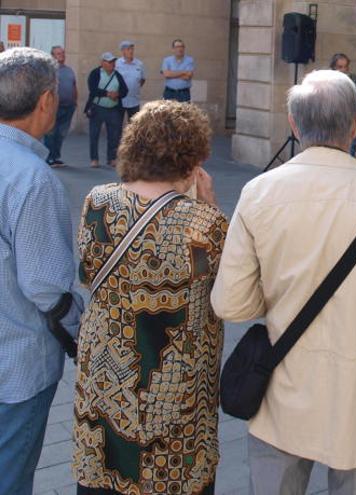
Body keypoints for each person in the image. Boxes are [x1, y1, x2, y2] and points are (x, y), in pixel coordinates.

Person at [211, 69, 356, 495]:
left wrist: (280, 292)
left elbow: (229, 303)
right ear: (354, 125)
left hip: (284, 390)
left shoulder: (259, 192)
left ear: (293, 124)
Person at [72, 100, 226, 494]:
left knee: (105, 477)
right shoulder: (203, 222)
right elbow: (228, 293)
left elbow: (88, 273)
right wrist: (208, 205)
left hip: (108, 376)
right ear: (193, 160)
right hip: (176, 389)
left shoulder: (97, 201)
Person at [0, 47, 83, 495]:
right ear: (47, 101)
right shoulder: (32, 178)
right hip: (15, 365)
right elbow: (46, 286)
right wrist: (85, 330)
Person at [86, 51, 128, 168]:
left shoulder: (117, 75)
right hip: (97, 108)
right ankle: (94, 159)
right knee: (94, 134)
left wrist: (117, 94)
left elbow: (125, 90)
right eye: (109, 62)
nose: (112, 64)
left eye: (113, 62)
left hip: (113, 109)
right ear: (102, 63)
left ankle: (112, 158)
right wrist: (108, 93)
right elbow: (92, 89)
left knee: (113, 135)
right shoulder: (95, 73)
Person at [44, 45, 77, 167]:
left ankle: (56, 157)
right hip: (53, 107)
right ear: (52, 56)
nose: (62, 55)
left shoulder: (69, 70)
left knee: (61, 133)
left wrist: (75, 102)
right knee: (51, 133)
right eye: (58, 53)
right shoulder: (49, 71)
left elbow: (74, 86)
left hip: (68, 107)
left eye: (63, 53)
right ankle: (48, 157)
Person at [115, 40, 146, 120]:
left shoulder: (139, 64)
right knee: (117, 126)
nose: (131, 51)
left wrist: (134, 87)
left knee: (133, 126)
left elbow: (142, 79)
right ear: (123, 51)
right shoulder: (117, 64)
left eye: (132, 49)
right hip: (119, 101)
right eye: (128, 49)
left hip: (134, 101)